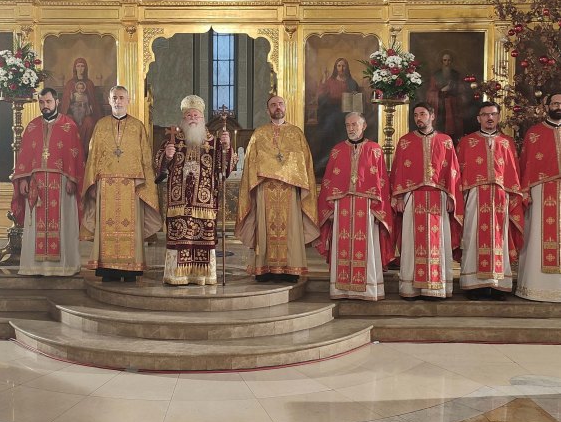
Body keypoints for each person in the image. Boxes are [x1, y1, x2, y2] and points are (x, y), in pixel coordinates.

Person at [81, 85, 162, 282]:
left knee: (130, 227)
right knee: (106, 227)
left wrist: (146, 186)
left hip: (131, 187)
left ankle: (130, 269)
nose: (118, 101)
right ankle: (108, 270)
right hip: (105, 186)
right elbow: (93, 157)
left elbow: (145, 158)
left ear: (128, 101)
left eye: (121, 98)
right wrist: (91, 185)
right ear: (109, 101)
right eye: (114, 98)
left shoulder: (138, 126)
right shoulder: (100, 126)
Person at [236, 95, 319, 283]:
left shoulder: (296, 133)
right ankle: (264, 269)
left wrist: (280, 171)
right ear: (268, 110)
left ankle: (291, 269)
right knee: (265, 227)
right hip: (265, 189)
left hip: (289, 190)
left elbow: (304, 163)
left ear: (285, 107)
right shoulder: (259, 134)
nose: (277, 107)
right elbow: (251, 163)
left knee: (290, 229)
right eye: (273, 105)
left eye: (280, 104)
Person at [154, 95, 232, 286]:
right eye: (189, 115)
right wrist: (167, 157)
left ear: (202, 117)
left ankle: (202, 275)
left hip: (204, 202)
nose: (193, 118)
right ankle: (177, 275)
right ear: (183, 118)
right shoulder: (172, 139)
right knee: (180, 238)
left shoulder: (213, 142)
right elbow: (159, 167)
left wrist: (226, 147)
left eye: (196, 114)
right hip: (178, 201)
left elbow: (224, 170)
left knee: (202, 239)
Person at [316, 112, 394, 301]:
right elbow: (328, 182)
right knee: (341, 247)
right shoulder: (337, 151)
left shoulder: (375, 150)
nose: (351, 128)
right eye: (348, 125)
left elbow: (382, 183)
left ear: (363, 126)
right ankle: (341, 289)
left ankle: (367, 289)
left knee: (366, 248)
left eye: (354, 124)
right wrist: (330, 208)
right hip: (341, 208)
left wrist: (379, 210)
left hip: (366, 208)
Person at [391, 102, 463, 299]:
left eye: (422, 114)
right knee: (411, 242)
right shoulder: (405, 141)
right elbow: (398, 170)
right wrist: (397, 196)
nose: (419, 118)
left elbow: (453, 172)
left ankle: (436, 287)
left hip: (437, 198)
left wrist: (451, 196)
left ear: (432, 116)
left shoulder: (445, 141)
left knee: (437, 242)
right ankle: (411, 288)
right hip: (412, 198)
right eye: (415, 115)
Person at [11, 87, 85, 277]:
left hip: (61, 184)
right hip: (36, 185)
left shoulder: (69, 126)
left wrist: (72, 179)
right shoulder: (32, 126)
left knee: (62, 223)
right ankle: (35, 267)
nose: (45, 106)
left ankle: (64, 266)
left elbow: (75, 156)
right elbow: (25, 156)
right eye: (42, 102)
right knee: (35, 226)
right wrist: (23, 180)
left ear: (57, 102)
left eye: (48, 102)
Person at [456, 102, 523, 300]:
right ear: (478, 118)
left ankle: (498, 284)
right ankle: (474, 285)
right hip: (475, 196)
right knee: (473, 236)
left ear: (499, 117)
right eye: (485, 115)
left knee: (499, 238)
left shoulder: (506, 142)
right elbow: (458, 173)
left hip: (500, 197)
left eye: (493, 114)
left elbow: (513, 172)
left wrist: (513, 196)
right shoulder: (467, 142)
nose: (489, 118)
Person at [516, 91, 561, 302]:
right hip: (541, 191)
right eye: (555, 103)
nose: (558, 106)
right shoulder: (534, 133)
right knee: (537, 236)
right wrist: (525, 191)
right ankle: (536, 287)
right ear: (547, 106)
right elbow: (526, 165)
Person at [315, 58, 361, 176]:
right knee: (330, 129)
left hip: (348, 113)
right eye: (339, 66)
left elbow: (356, 100)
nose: (341, 68)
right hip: (332, 112)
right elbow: (321, 98)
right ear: (336, 68)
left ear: (347, 68)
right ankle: (328, 162)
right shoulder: (330, 81)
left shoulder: (352, 82)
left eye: (343, 66)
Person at [60, 57, 101, 157]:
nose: (80, 68)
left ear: (85, 68)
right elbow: (65, 102)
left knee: (89, 122)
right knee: (69, 121)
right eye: (78, 66)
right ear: (75, 68)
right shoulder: (70, 83)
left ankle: (85, 150)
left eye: (82, 66)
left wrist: (91, 109)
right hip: (73, 113)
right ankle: (71, 149)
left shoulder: (89, 84)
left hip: (86, 113)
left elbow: (93, 102)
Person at [425, 51, 466, 141]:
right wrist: (441, 92)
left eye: (449, 60)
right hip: (438, 107)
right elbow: (430, 92)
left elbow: (461, 91)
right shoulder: (436, 75)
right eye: (445, 60)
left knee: (452, 132)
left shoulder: (456, 75)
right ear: (441, 61)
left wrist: (452, 91)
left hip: (452, 106)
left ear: (452, 61)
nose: (447, 63)